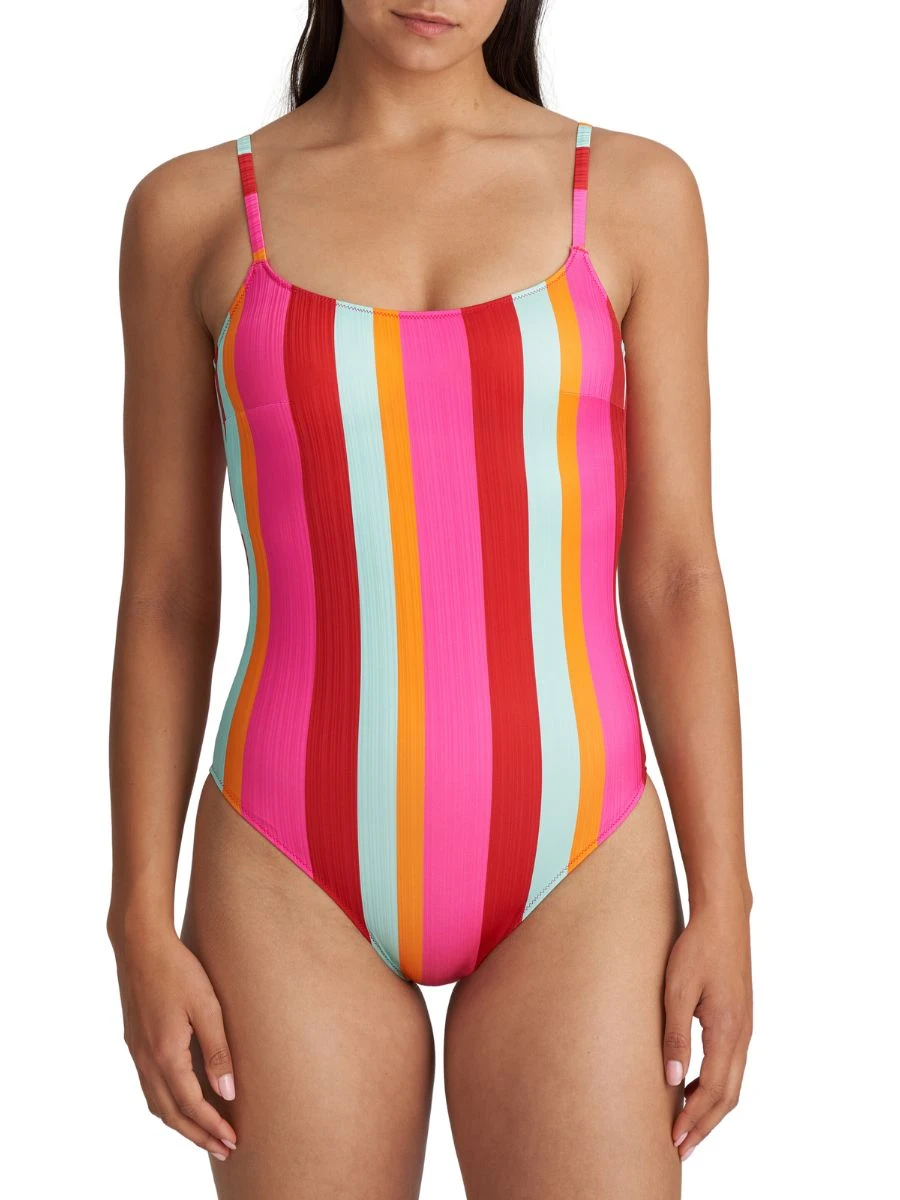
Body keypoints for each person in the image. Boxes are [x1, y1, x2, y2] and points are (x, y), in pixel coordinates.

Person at [107, 2, 753, 1196]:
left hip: (583, 860)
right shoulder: (191, 213)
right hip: (286, 866)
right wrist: (137, 916)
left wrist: (727, 900)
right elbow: (165, 594)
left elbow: (674, 576)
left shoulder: (633, 194)